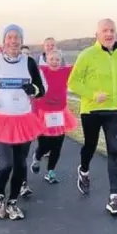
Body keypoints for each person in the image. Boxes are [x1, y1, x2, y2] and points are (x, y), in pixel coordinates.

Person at [0, 24, 45, 220]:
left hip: (23, 119)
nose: (13, 41)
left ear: (22, 41)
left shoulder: (29, 62)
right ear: (4, 41)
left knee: (20, 165)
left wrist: (33, 90)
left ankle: (13, 201)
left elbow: (41, 89)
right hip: (1, 119)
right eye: (10, 37)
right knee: (5, 164)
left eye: (17, 37)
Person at [68, 19, 117, 216]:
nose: (109, 33)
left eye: (112, 30)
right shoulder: (87, 55)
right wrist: (93, 94)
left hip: (115, 109)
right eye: (105, 30)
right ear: (97, 34)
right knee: (91, 145)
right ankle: (84, 170)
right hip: (92, 109)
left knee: (114, 149)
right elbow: (73, 83)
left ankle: (114, 197)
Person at [31, 49, 78, 183]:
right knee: (45, 144)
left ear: (61, 61)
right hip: (44, 112)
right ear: (47, 60)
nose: (55, 62)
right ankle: (37, 157)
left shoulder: (65, 71)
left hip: (60, 112)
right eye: (52, 59)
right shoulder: (41, 71)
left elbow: (80, 66)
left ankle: (51, 171)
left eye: (57, 59)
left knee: (57, 145)